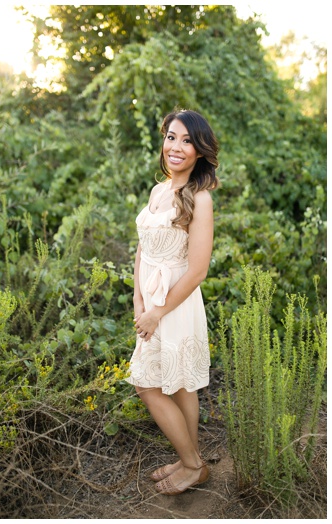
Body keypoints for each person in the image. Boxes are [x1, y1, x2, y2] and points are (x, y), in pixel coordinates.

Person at [124, 109, 219, 495]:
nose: (176, 147)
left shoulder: (199, 198)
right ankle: (188, 459)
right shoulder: (158, 190)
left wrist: (159, 310)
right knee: (177, 386)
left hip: (175, 306)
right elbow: (143, 249)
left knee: (149, 386)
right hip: (151, 303)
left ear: (199, 151)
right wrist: (138, 298)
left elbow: (197, 270)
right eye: (171, 137)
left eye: (186, 141)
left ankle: (194, 464)